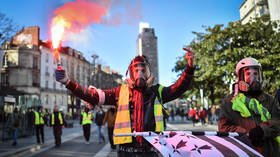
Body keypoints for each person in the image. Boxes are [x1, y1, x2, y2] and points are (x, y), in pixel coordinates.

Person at [55, 48, 195, 156]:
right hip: (126, 152)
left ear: (148, 73)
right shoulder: (120, 92)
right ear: (131, 73)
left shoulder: (157, 92)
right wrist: (68, 82)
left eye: (143, 70)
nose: (140, 74)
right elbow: (93, 96)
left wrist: (189, 69)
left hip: (151, 150)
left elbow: (178, 88)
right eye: (136, 70)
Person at [218, 57, 280, 157]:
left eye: (255, 74)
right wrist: (246, 134)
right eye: (248, 74)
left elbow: (278, 120)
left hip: (270, 152)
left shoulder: (270, 100)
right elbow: (224, 128)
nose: (253, 77)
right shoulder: (229, 101)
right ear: (240, 77)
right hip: (243, 151)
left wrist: (262, 130)